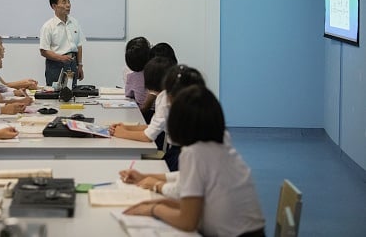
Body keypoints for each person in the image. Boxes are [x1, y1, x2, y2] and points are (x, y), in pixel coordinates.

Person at [123, 85, 266, 237]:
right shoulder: (220, 142)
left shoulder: (194, 152)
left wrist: (153, 209)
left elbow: (187, 221)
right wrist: (148, 183)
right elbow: (192, 190)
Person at [112, 62, 202, 171]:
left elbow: (149, 136)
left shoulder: (164, 100)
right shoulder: (165, 97)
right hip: (178, 150)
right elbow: (152, 126)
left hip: (179, 153)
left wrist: (122, 133)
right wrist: (126, 127)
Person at [39, 0, 85, 87]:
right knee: (55, 94)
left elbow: (79, 45)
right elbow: (44, 51)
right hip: (56, 65)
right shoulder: (48, 26)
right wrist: (60, 58)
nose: (68, 5)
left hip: (72, 63)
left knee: (72, 92)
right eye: (64, 2)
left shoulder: (74, 22)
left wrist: (79, 65)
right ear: (54, 6)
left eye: (69, 1)